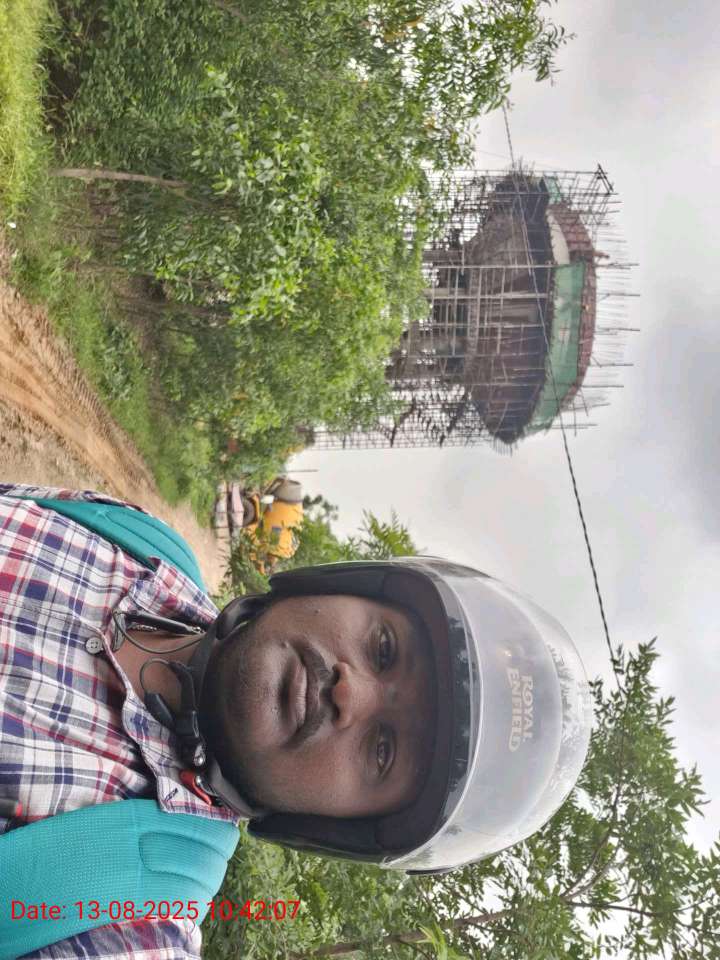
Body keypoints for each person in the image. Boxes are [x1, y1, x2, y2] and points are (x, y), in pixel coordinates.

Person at [0, 482, 593, 959]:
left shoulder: (125, 925)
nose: (350, 693)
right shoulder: (136, 540)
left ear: (334, 826)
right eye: (384, 648)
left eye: (383, 750)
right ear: (343, 588)